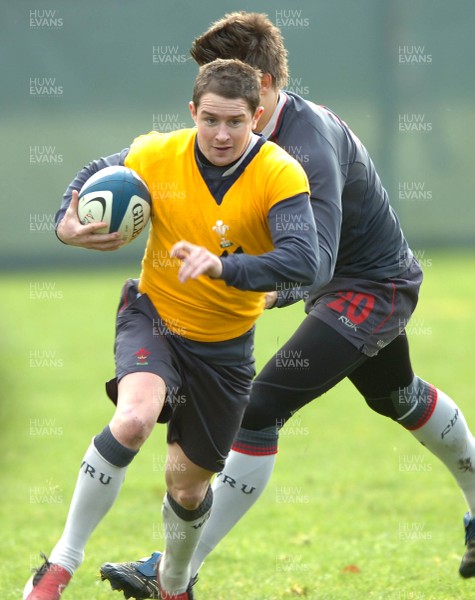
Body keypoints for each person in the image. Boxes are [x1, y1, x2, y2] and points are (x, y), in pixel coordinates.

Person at [99, 11, 475, 599]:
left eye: (232, 85)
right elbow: (137, 163)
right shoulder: (230, 133)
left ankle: (178, 570)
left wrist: (259, 288)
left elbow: (317, 263)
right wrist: (84, 205)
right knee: (397, 398)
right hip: (337, 288)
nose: (215, 96)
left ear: (266, 87)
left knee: (259, 406)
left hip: (369, 286)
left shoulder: (306, 143)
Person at [24, 58, 319, 600]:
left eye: (235, 121)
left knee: (186, 487)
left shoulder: (279, 173)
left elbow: (306, 262)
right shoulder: (157, 154)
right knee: (133, 419)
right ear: (192, 112)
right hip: (153, 316)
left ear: (258, 115)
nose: (221, 134)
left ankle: (175, 584)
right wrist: (66, 223)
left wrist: (222, 267)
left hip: (226, 349)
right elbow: (95, 171)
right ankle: (59, 565)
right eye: (210, 120)